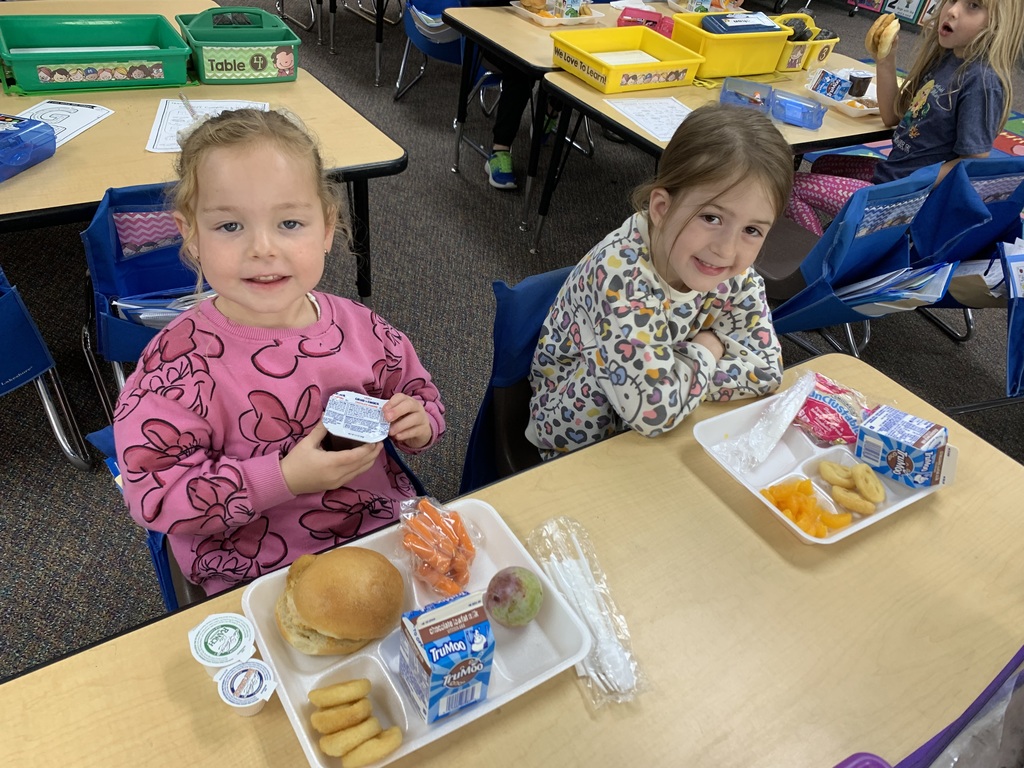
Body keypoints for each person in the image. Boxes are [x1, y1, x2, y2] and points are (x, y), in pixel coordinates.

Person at [112, 109, 446, 596]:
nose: (263, 248)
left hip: (380, 536)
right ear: (191, 235)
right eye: (230, 227)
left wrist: (419, 422)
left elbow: (420, 393)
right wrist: (284, 477)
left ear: (327, 228)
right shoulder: (176, 367)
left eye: (290, 222)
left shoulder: (362, 329)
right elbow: (154, 497)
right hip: (253, 568)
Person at [526, 103, 794, 458]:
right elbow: (655, 413)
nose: (727, 250)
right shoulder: (621, 274)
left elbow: (766, 369)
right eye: (712, 217)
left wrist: (671, 379)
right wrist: (709, 347)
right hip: (576, 439)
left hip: (665, 427)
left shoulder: (734, 274)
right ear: (662, 209)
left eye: (752, 230)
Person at [786, 0, 1024, 235]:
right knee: (824, 165)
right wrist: (885, 58)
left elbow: (975, 161)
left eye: (973, 6)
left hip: (906, 200)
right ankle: (848, 236)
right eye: (951, 0)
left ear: (997, 24)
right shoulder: (947, 59)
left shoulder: (981, 81)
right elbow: (892, 116)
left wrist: (917, 181)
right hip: (895, 174)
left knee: (789, 188)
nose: (951, 11)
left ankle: (816, 262)